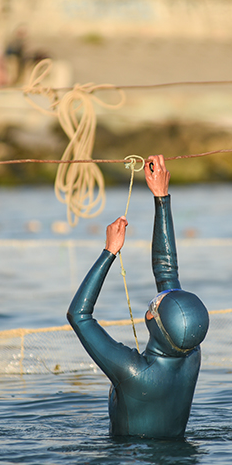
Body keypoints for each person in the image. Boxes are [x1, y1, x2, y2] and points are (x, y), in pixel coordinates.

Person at [67, 155, 209, 439]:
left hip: (127, 461)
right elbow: (167, 272)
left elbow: (79, 317)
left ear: (154, 322)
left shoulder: (134, 371)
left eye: (155, 306)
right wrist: (161, 197)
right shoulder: (191, 352)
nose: (153, 302)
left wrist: (109, 252)